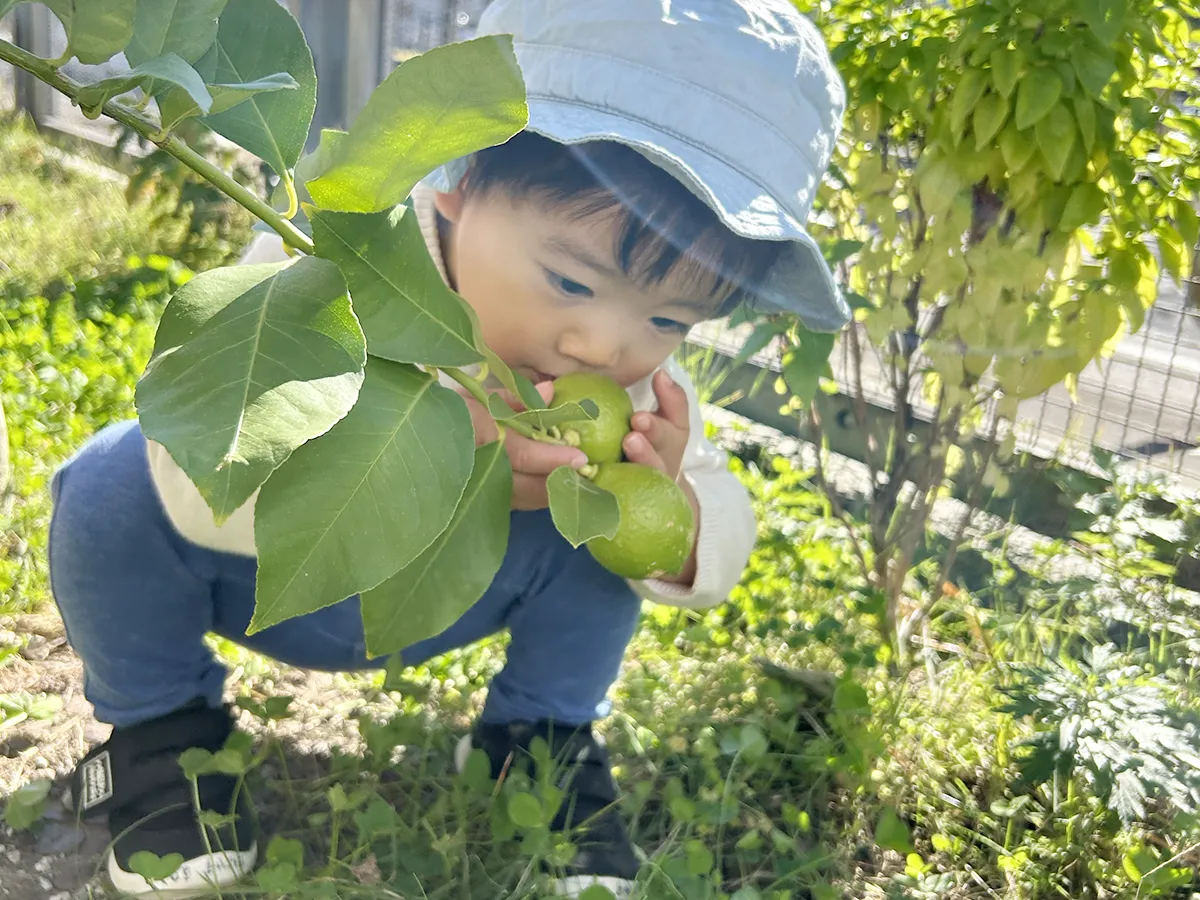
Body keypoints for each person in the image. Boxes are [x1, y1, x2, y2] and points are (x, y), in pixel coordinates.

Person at [47, 0, 848, 896]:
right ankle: (166, 740)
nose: (602, 346)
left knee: (603, 520)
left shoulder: (633, 397)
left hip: (463, 599)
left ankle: (533, 741)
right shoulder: (332, 270)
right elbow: (201, 481)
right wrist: (434, 446)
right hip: (266, 581)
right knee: (109, 494)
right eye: (571, 280)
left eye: (668, 318)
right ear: (457, 176)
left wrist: (680, 511)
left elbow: (707, 518)